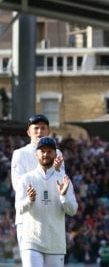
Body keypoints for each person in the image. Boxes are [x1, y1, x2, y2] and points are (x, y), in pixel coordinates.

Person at [14, 136, 78, 267]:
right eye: (42, 151)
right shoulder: (26, 179)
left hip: (55, 244)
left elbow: (73, 211)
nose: (45, 154)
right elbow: (19, 208)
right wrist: (30, 201)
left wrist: (64, 196)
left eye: (49, 151)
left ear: (55, 154)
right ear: (36, 154)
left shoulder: (64, 179)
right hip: (31, 241)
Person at [11, 114, 65, 255]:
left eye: (43, 128)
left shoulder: (57, 153)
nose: (39, 132)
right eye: (36, 128)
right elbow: (18, 185)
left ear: (48, 131)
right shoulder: (20, 154)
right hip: (28, 216)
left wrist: (57, 170)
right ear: (29, 132)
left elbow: (62, 184)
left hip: (51, 216)